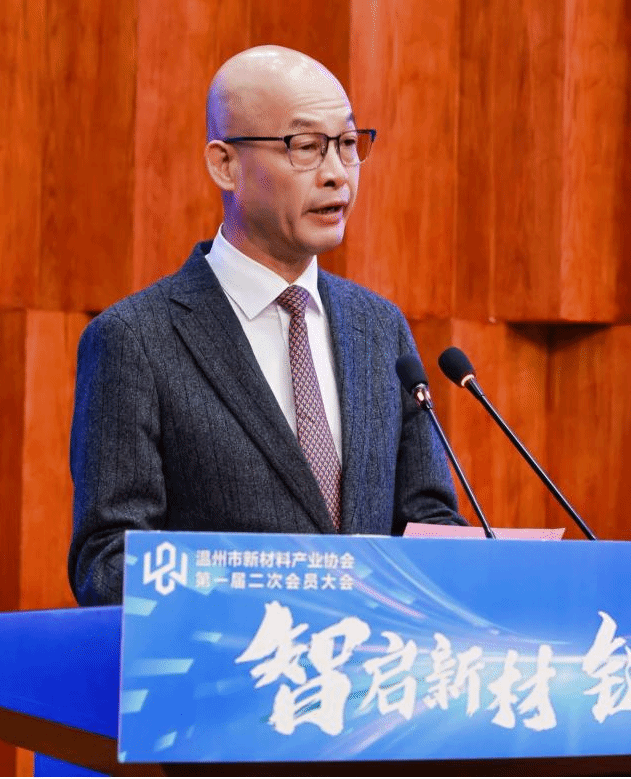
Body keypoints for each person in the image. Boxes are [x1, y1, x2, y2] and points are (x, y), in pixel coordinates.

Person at [67, 46, 465, 606]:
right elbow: (109, 563)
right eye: (305, 147)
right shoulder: (136, 341)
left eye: (348, 144)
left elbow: (426, 522)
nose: (336, 174)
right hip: (235, 657)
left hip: (366, 658)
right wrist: (264, 592)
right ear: (225, 165)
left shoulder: (380, 329)